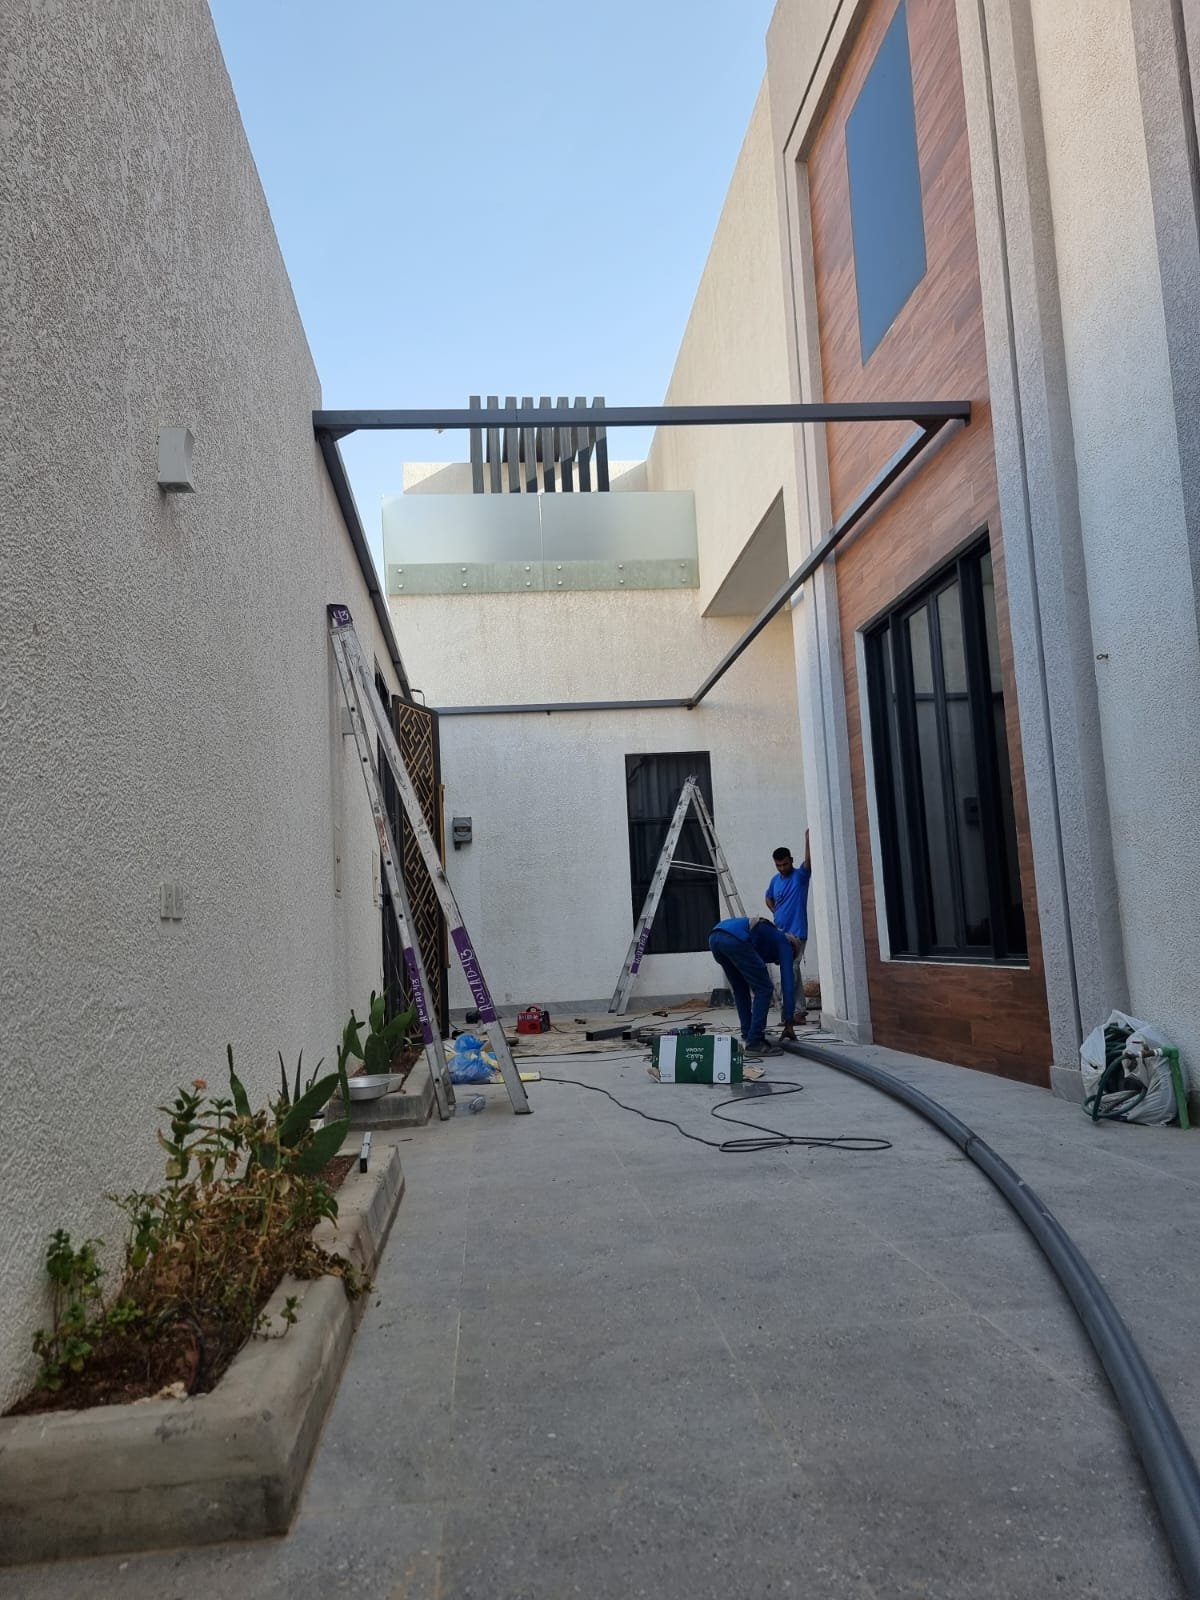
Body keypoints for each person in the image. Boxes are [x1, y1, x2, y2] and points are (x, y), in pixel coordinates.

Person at [707, 915, 803, 1057]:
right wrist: (789, 1020)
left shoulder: (766, 937)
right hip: (735, 938)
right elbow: (788, 984)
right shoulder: (785, 943)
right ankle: (755, 1041)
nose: (777, 962)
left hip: (715, 937)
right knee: (764, 989)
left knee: (740, 989)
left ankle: (748, 1033)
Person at [765, 832, 811, 1012]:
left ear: (791, 860)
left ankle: (790, 1011)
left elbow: (808, 862)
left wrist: (808, 840)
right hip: (781, 933)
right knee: (791, 970)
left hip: (797, 933)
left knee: (791, 969)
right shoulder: (775, 880)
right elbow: (768, 897)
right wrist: (775, 911)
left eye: (785, 864)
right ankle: (799, 1010)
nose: (782, 868)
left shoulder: (800, 877)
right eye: (778, 865)